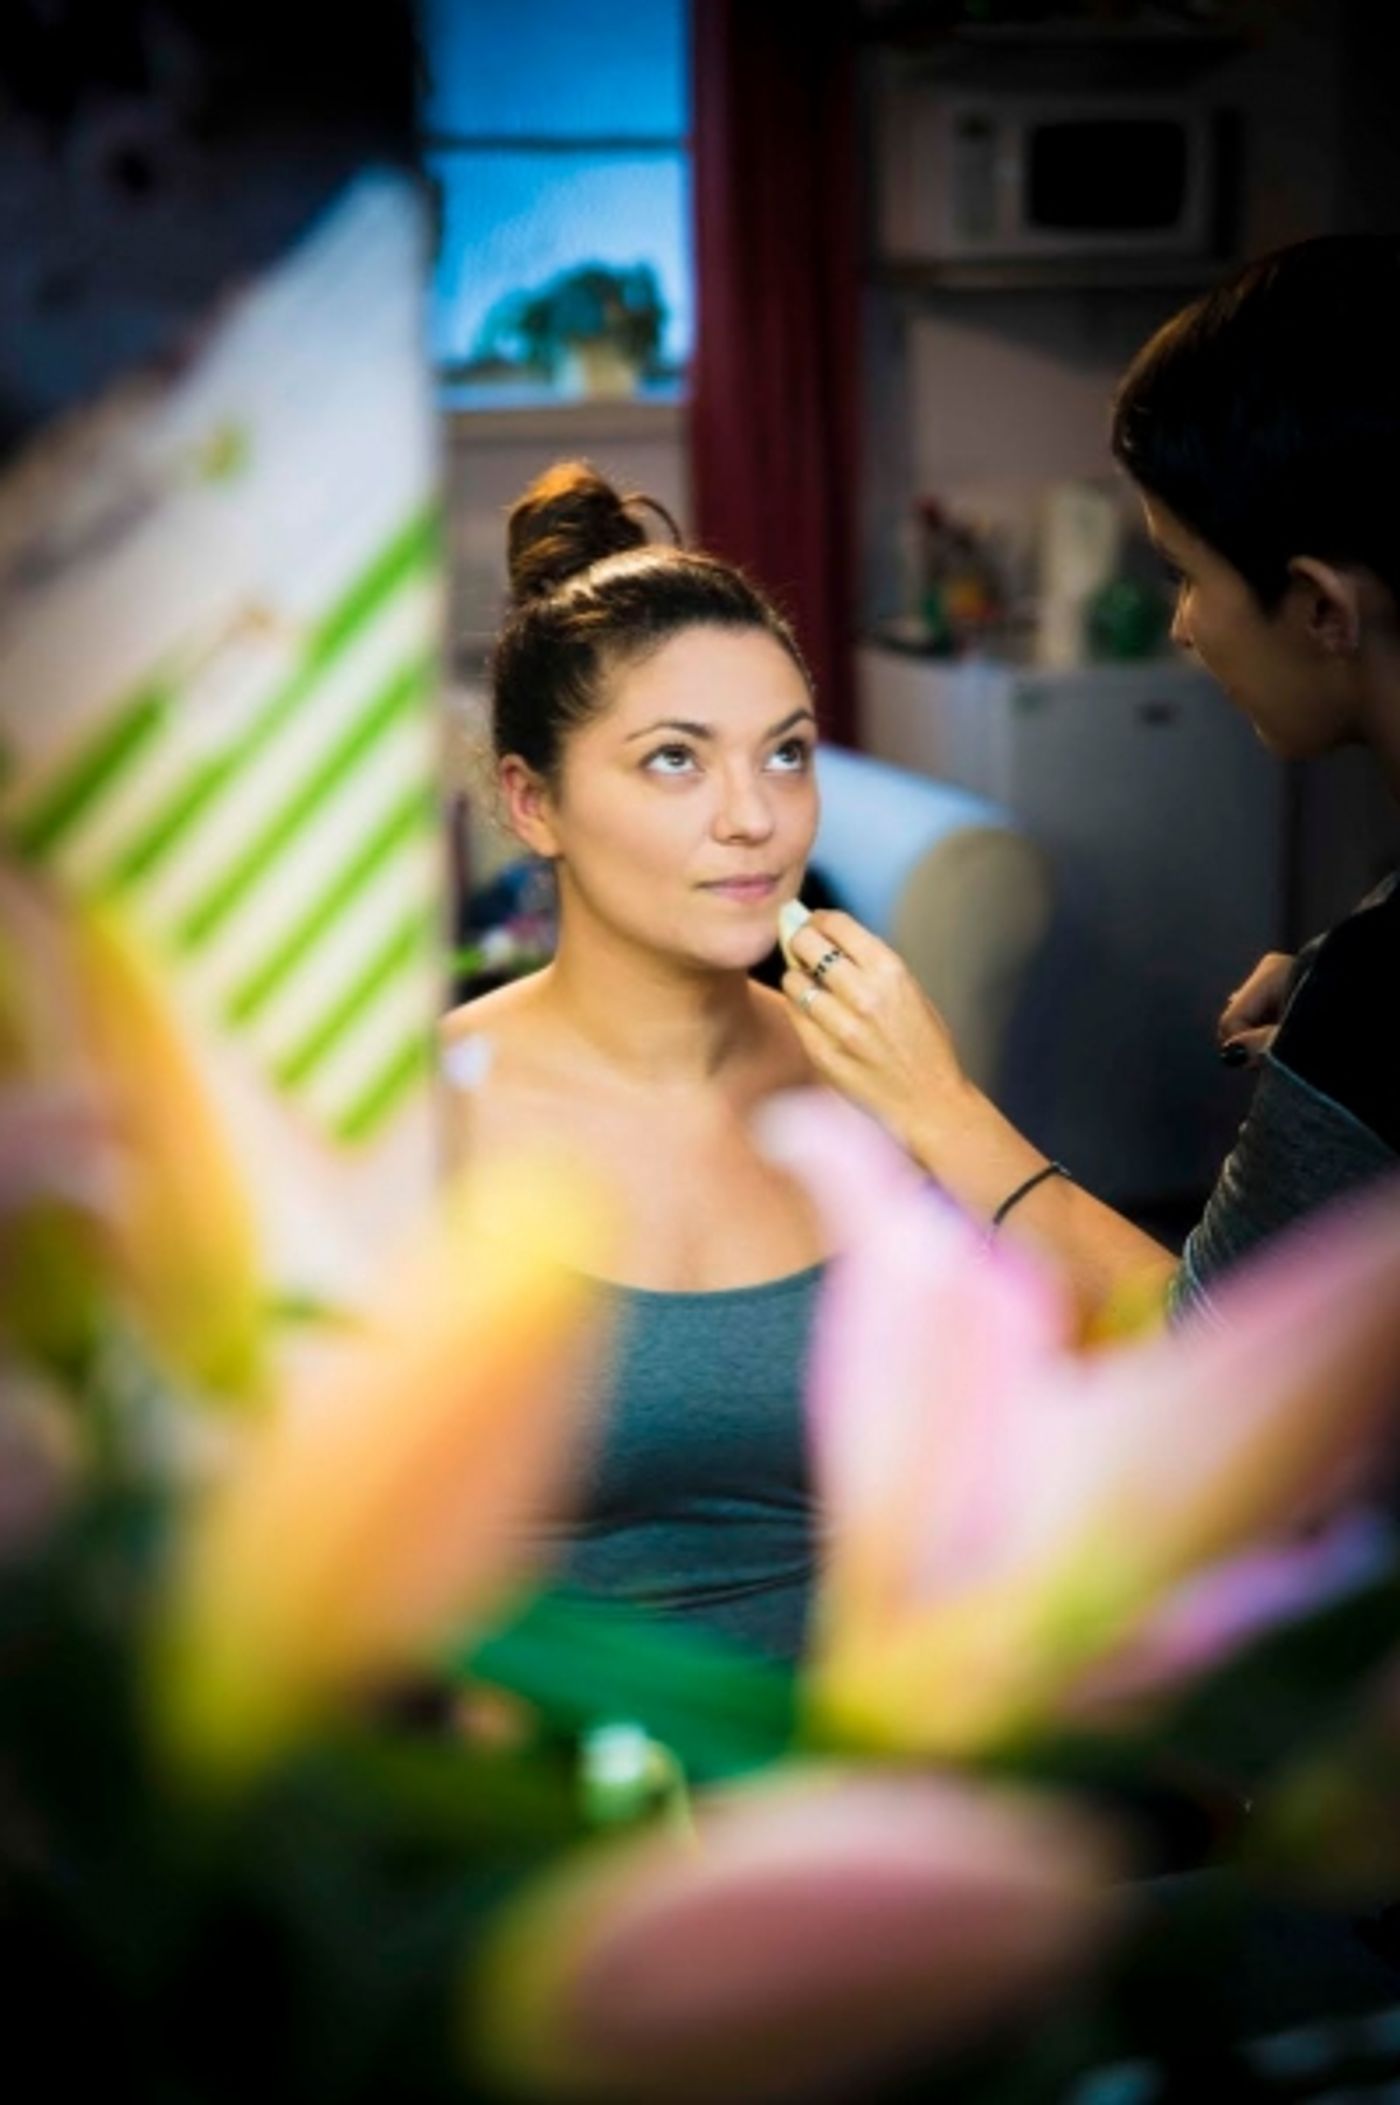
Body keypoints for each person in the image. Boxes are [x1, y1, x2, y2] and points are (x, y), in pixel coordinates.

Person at [780, 234, 1400, 1323]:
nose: (1179, 625)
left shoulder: (1377, 996)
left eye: (1180, 573)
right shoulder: (1358, 984)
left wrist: (935, 1104)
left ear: (1318, 606)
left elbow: (1209, 1372)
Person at [442, 460, 828, 1665]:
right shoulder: (425, 1118)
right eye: (674, 757)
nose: (752, 817)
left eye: (785, 753)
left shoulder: (874, 1080)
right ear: (531, 801)